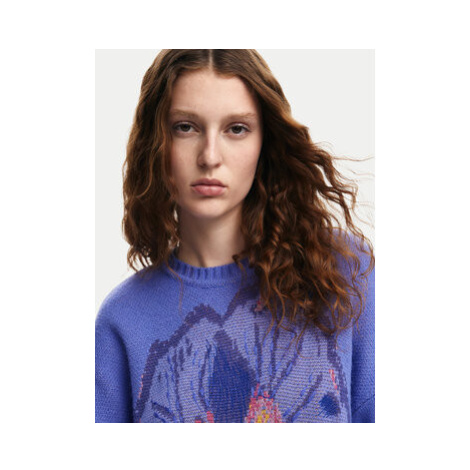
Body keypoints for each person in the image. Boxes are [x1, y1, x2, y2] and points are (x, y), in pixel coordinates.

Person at [95, 49, 375, 423]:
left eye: (236, 129)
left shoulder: (343, 273)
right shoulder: (122, 320)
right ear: (156, 142)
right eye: (185, 127)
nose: (210, 156)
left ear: (265, 143)